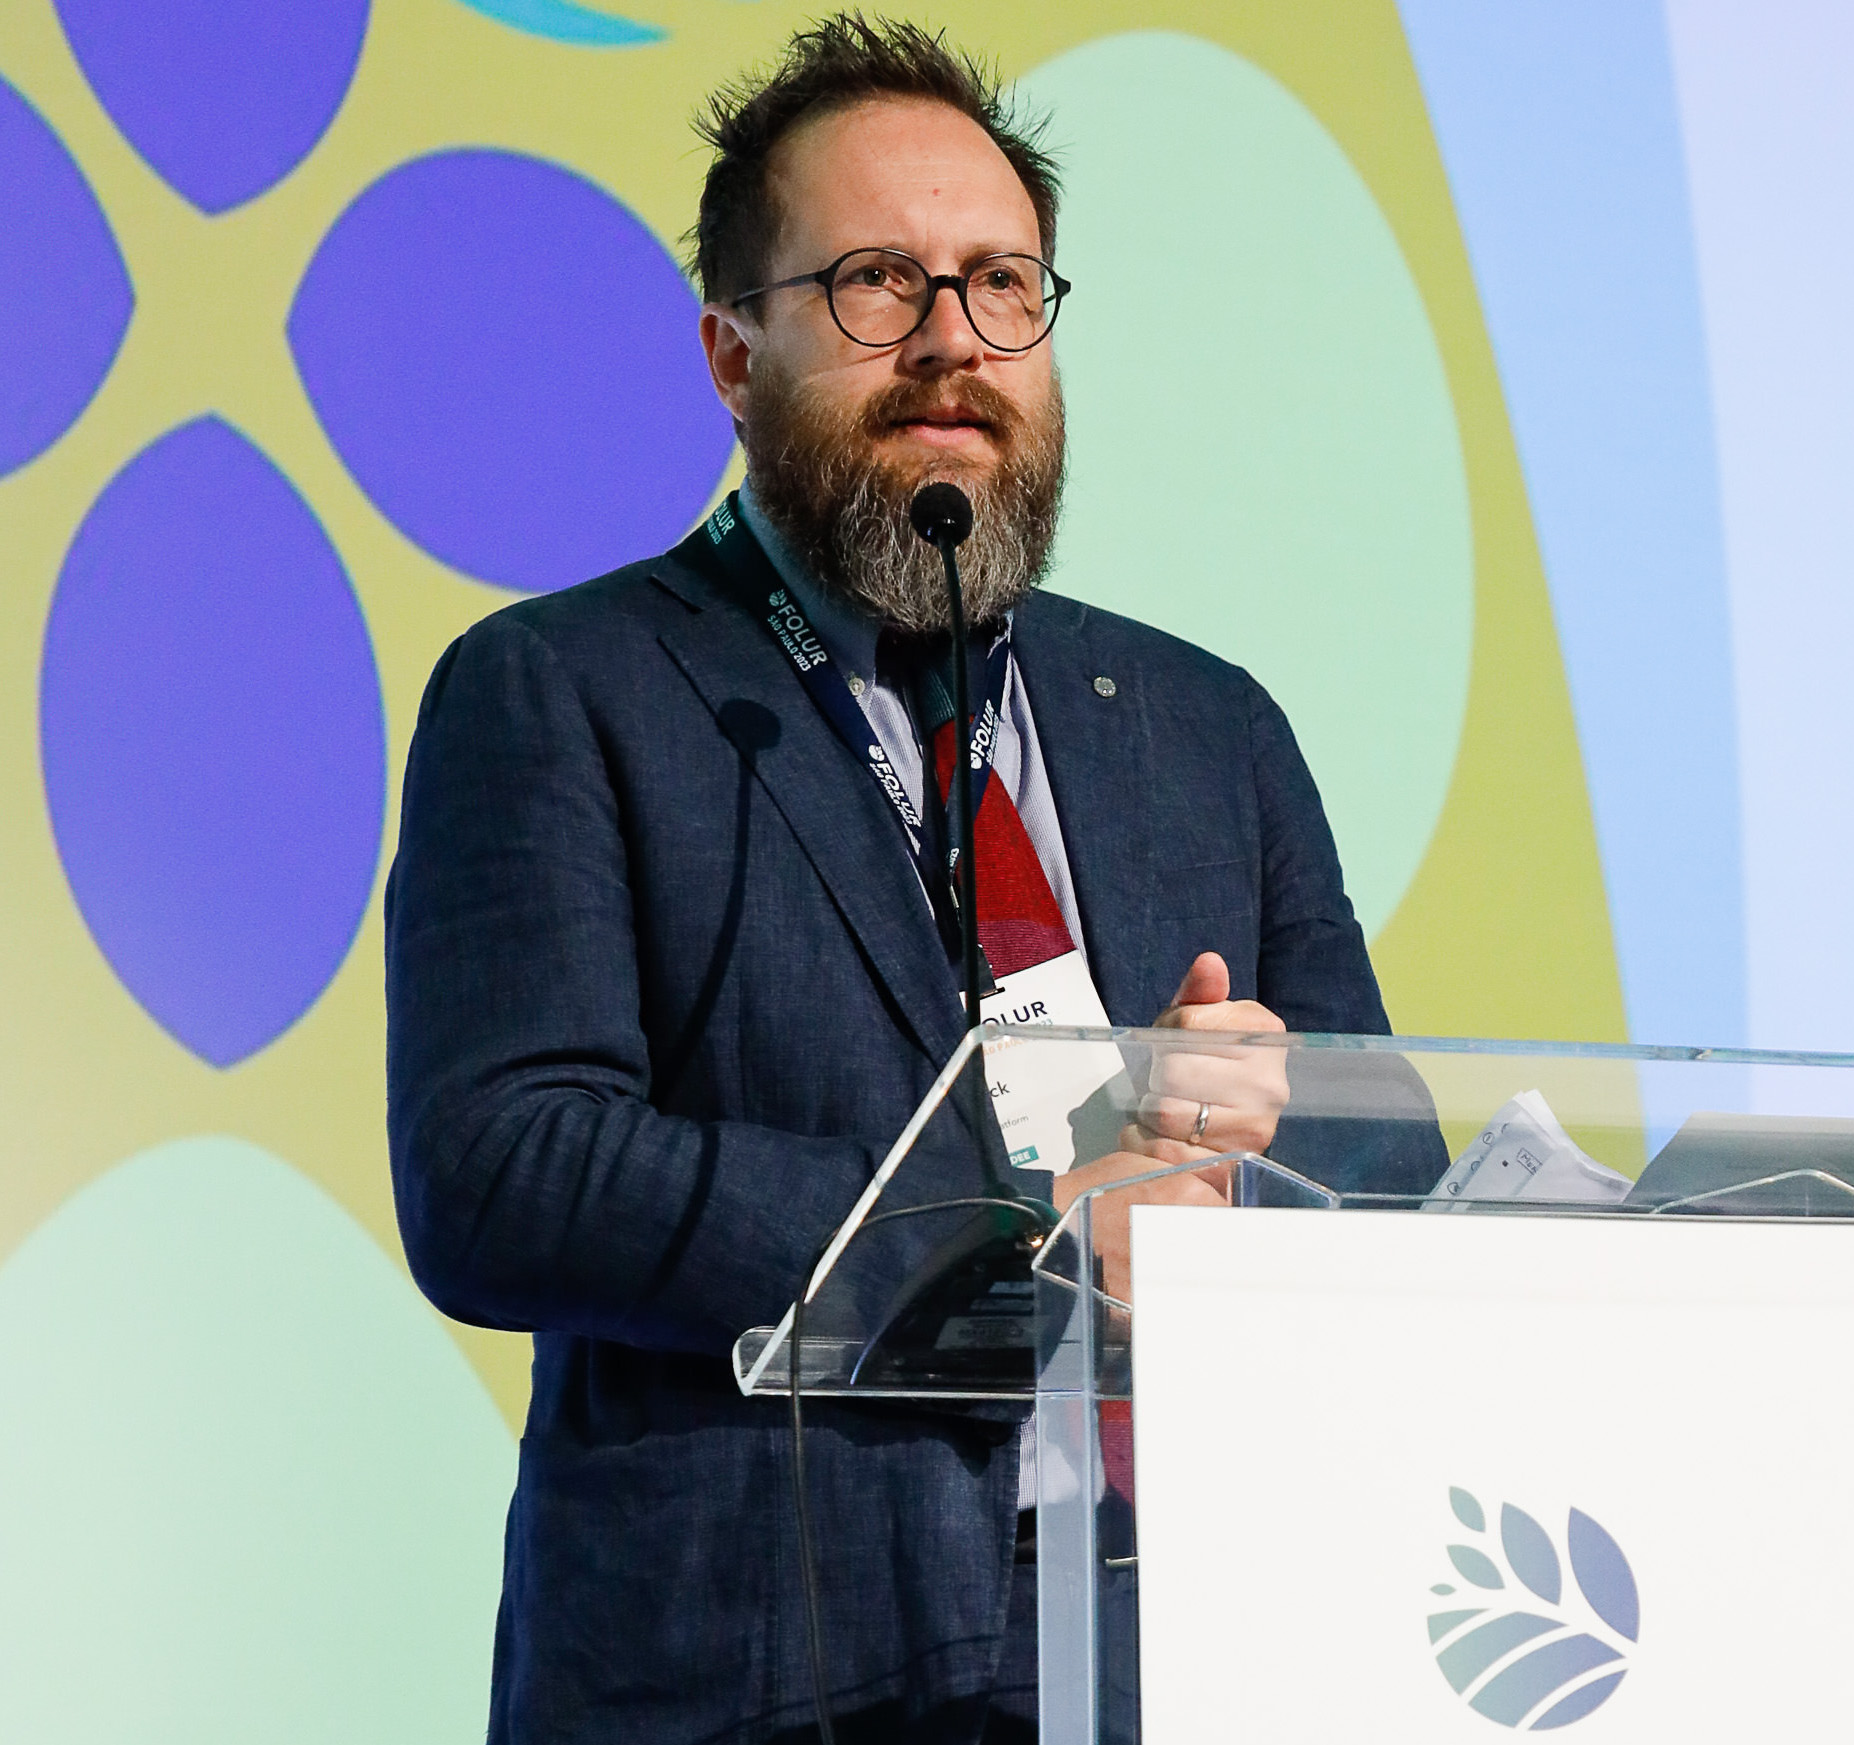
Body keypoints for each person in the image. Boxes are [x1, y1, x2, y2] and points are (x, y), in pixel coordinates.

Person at [384, 15, 1422, 1741]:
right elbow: (504, 1171)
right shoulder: (567, 691)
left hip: (1195, 1662)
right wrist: (1031, 1214)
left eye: (1003, 285)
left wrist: (1252, 1168)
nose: (953, 343)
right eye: (878, 284)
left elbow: (1385, 1164)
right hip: (758, 1684)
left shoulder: (1205, 724)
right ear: (732, 356)